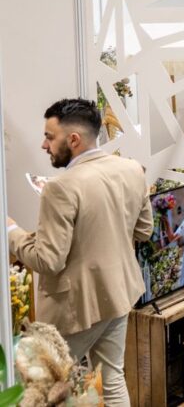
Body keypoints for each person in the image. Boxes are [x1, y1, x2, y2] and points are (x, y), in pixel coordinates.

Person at [8, 98, 153, 406]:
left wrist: (12, 232)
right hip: (119, 295)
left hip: (75, 310)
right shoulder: (131, 169)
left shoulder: (60, 188)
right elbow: (143, 231)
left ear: (73, 139)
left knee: (44, 390)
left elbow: (47, 260)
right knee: (113, 378)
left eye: (49, 137)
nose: (44, 145)